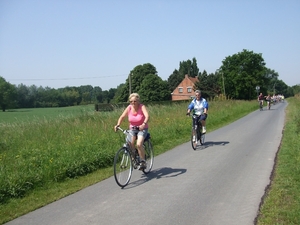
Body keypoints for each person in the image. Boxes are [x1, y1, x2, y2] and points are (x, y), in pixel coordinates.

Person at [114, 93, 150, 170]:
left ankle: (143, 161)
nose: (133, 103)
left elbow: (147, 116)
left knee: (139, 144)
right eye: (131, 101)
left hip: (142, 128)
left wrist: (143, 124)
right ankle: (134, 159)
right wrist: (118, 124)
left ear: (138, 101)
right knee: (130, 143)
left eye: (135, 101)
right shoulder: (129, 108)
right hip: (133, 129)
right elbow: (122, 116)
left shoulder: (142, 107)